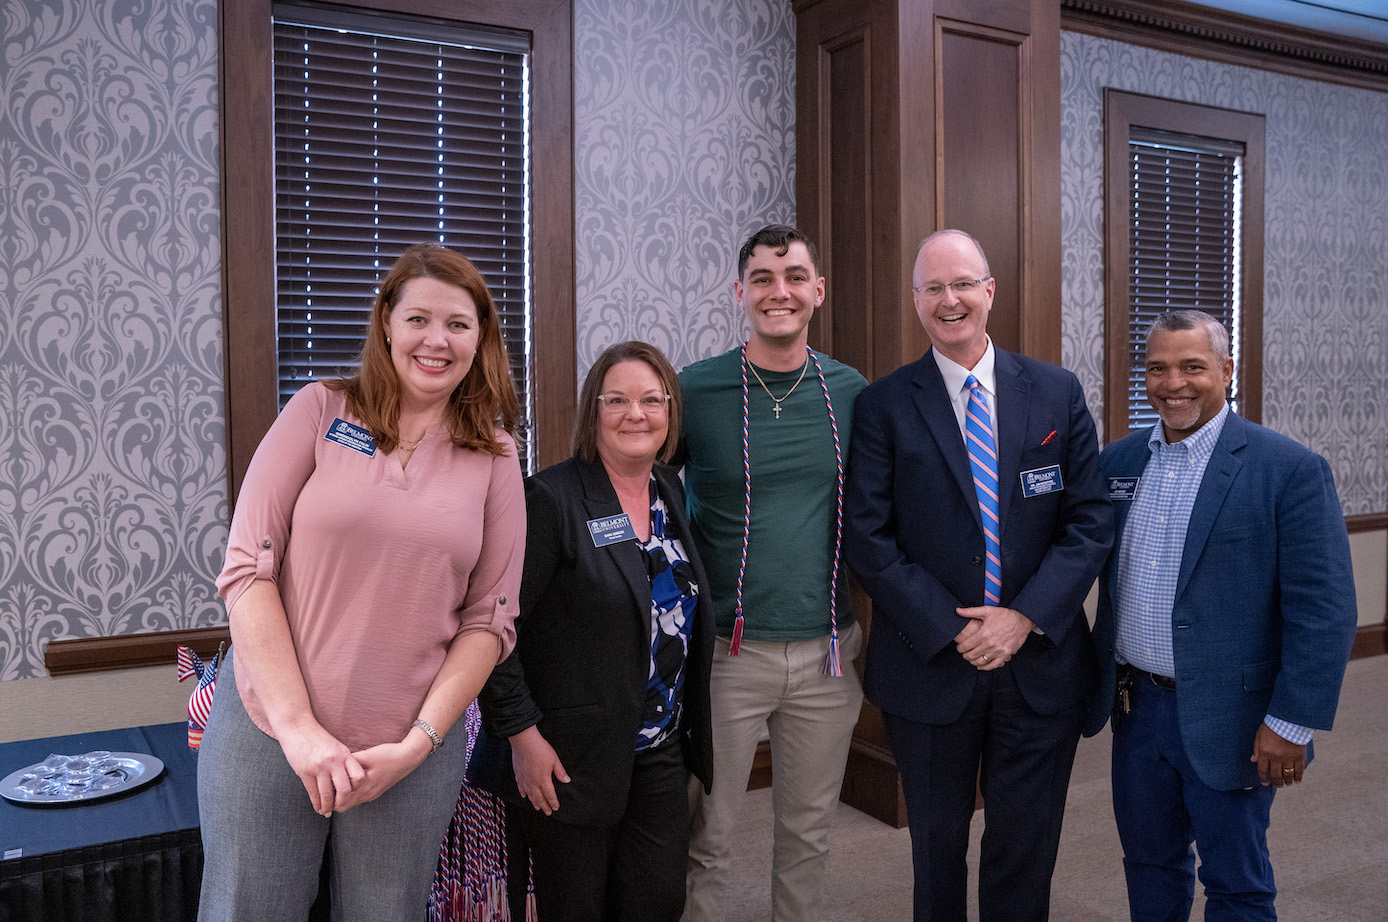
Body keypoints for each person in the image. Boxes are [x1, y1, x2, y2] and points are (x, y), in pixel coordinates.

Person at [197, 244, 525, 921]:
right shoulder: (320, 411)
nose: (437, 340)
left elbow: (489, 622)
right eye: (419, 319)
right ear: (386, 323)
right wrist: (297, 730)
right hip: (268, 728)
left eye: (458, 324)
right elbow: (247, 570)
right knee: (246, 909)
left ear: (481, 337)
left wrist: (418, 745)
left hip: (409, 745)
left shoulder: (495, 457)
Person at [843, 229, 1113, 922]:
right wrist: (954, 630)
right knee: (936, 850)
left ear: (989, 292)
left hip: (1039, 662)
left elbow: (1089, 522)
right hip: (930, 666)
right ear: (915, 303)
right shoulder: (883, 405)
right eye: (933, 287)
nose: (949, 299)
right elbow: (869, 540)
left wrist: (1021, 618)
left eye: (962, 283)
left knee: (1026, 847)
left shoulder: (1055, 392)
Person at [1083, 309, 1357, 921]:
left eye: (1192, 366)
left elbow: (1326, 609)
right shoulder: (1118, 464)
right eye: (1157, 368)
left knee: (1237, 882)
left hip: (1234, 716)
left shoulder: (1288, 470)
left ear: (1226, 371)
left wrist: (1291, 723)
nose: (1172, 382)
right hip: (1136, 710)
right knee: (1150, 863)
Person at [469, 341, 715, 922]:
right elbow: (495, 631)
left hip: (657, 749)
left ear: (671, 413)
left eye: (652, 400)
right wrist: (522, 738)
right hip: (569, 759)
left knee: (657, 902)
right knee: (577, 908)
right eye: (618, 400)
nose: (637, 414)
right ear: (593, 411)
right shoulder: (551, 499)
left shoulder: (669, 492)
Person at [679, 224, 868, 922]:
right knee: (708, 834)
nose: (778, 291)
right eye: (762, 278)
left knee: (807, 835)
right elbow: (636, 489)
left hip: (827, 652)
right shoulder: (693, 390)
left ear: (817, 291)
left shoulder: (851, 392)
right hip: (727, 653)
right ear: (740, 292)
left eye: (793, 276)